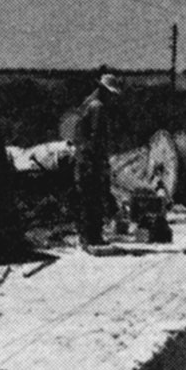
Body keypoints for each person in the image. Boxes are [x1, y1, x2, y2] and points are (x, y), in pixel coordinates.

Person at [73, 68, 121, 248]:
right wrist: (100, 165)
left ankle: (86, 236)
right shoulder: (97, 107)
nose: (112, 99)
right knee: (94, 199)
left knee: (86, 199)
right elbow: (96, 139)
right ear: (104, 91)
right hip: (90, 160)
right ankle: (93, 237)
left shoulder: (87, 103)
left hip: (82, 158)